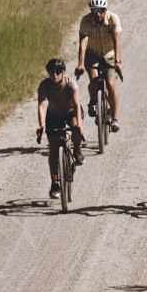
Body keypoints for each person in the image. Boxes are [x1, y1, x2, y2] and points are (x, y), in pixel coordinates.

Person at [36, 58, 85, 199]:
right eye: (51, 72)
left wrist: (79, 126)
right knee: (53, 148)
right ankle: (55, 184)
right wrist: (41, 125)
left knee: (76, 129)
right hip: (54, 114)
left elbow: (76, 105)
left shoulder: (71, 84)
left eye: (58, 72)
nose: (55, 75)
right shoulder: (44, 85)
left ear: (63, 72)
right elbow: (42, 105)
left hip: (71, 112)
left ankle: (77, 150)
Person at [77, 0, 123, 132]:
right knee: (94, 79)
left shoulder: (113, 18)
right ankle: (92, 101)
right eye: (94, 11)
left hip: (109, 54)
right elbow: (83, 42)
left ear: (105, 10)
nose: (97, 14)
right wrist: (80, 63)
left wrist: (118, 61)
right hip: (92, 53)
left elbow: (117, 41)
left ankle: (114, 119)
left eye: (100, 11)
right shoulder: (85, 21)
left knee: (110, 83)